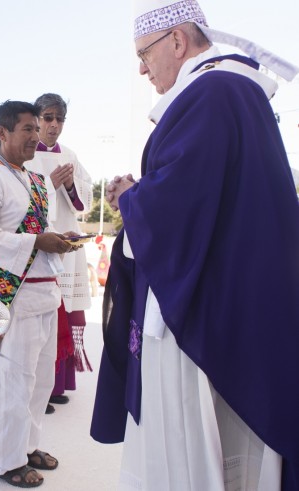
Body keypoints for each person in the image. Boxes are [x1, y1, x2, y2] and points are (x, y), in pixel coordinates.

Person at [91, 1, 299, 489]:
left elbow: (178, 210)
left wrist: (131, 198)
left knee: (192, 446)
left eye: (144, 54)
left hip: (197, 310)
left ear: (178, 42)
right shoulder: (232, 93)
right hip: (234, 297)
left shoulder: (212, 93)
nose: (142, 68)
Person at [0, 100, 80, 488]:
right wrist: (39, 242)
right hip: (13, 294)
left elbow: (40, 232)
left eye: (38, 128)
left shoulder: (35, 180)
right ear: (2, 132)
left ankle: (27, 446)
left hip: (45, 292)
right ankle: (4, 459)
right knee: (13, 381)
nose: (37, 136)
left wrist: (57, 239)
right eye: (28, 129)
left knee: (40, 381)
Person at [28, 93, 94, 414]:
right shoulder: (25, 155)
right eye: (48, 118)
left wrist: (69, 186)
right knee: (47, 315)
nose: (54, 125)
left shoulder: (70, 154)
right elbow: (22, 199)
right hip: (41, 246)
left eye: (60, 119)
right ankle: (42, 386)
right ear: (37, 119)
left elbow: (86, 198)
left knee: (66, 314)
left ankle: (58, 386)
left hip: (69, 243)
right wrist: (49, 184)